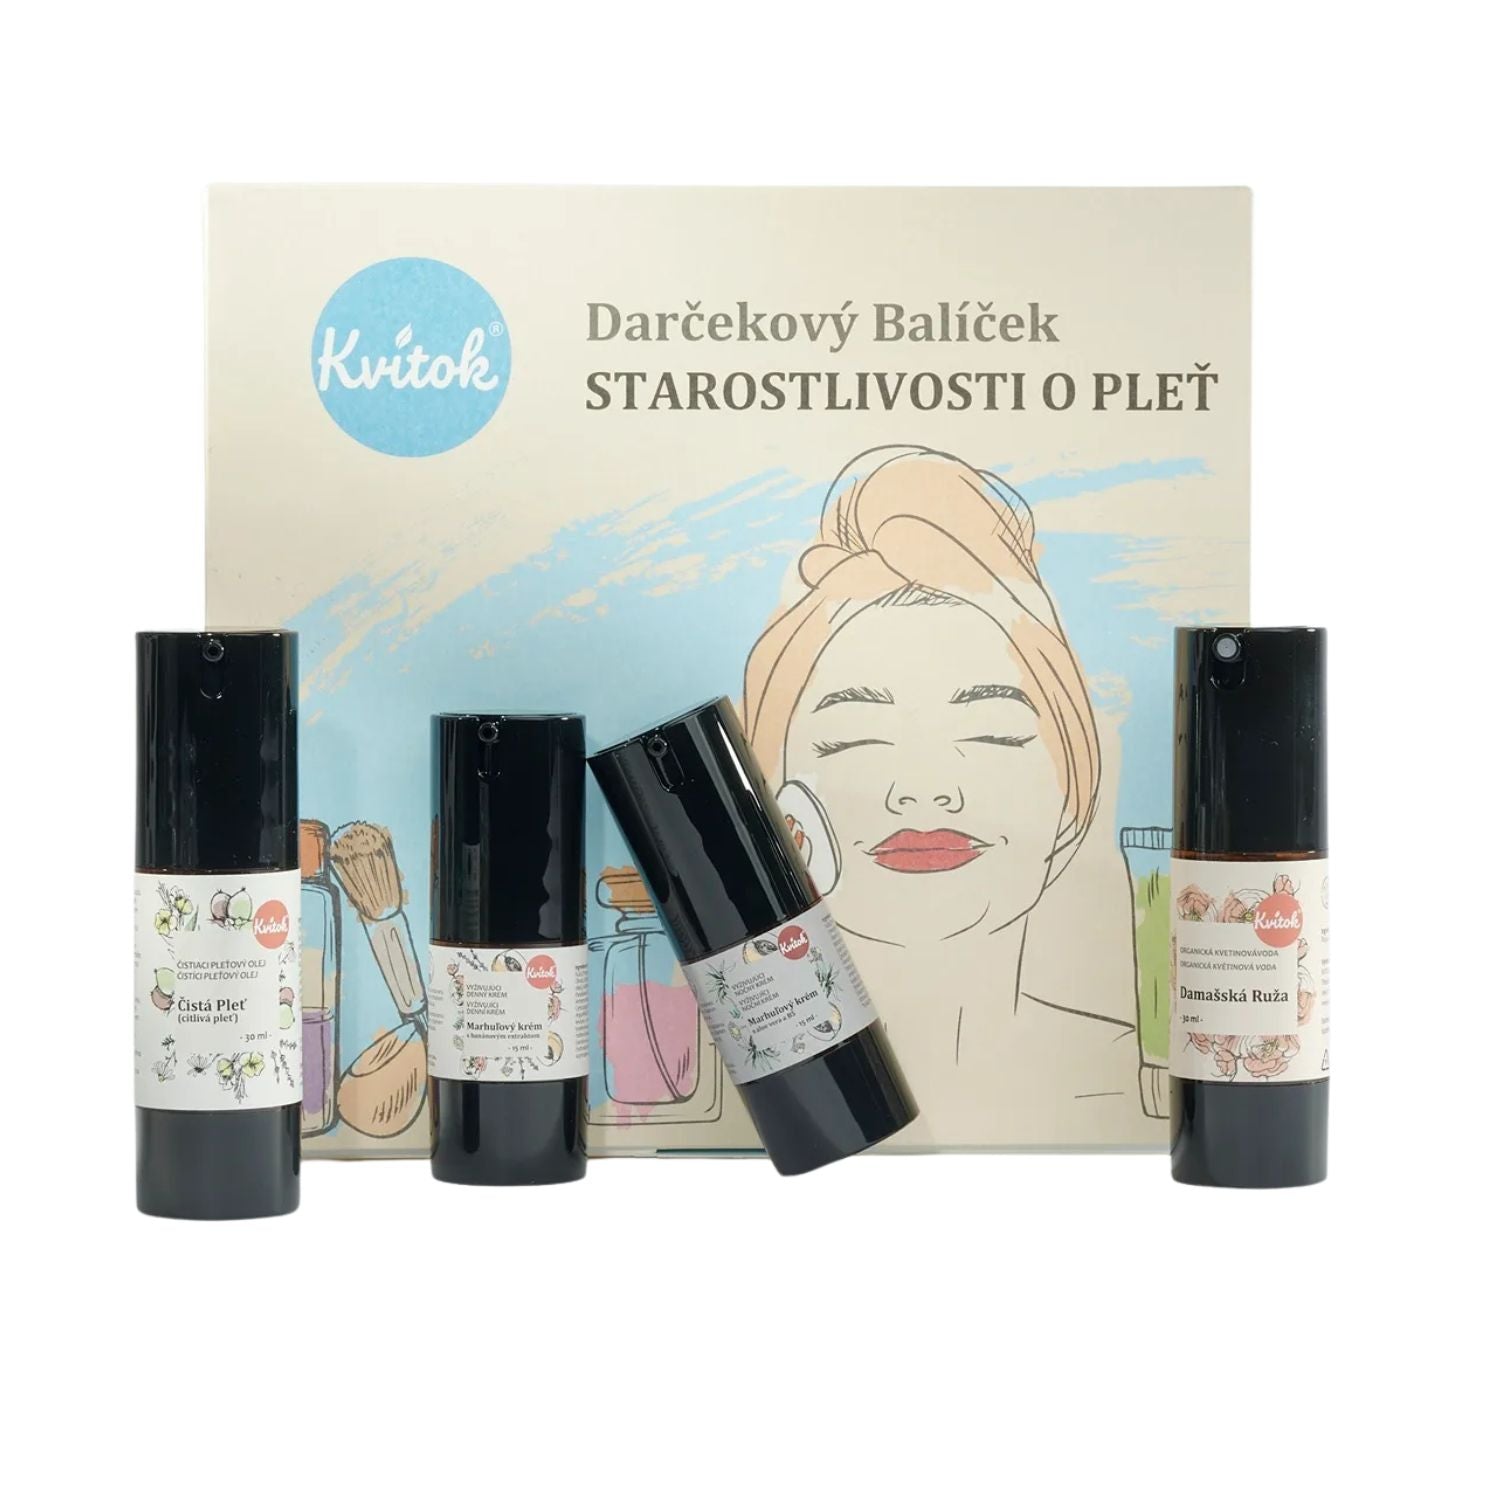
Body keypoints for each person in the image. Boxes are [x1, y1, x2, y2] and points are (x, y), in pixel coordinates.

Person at [744, 446, 1152, 1145]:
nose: (923, 792)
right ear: (779, 800)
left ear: (1071, 789)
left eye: (993, 732)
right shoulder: (751, 1084)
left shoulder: (1144, 1089)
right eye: (853, 738)